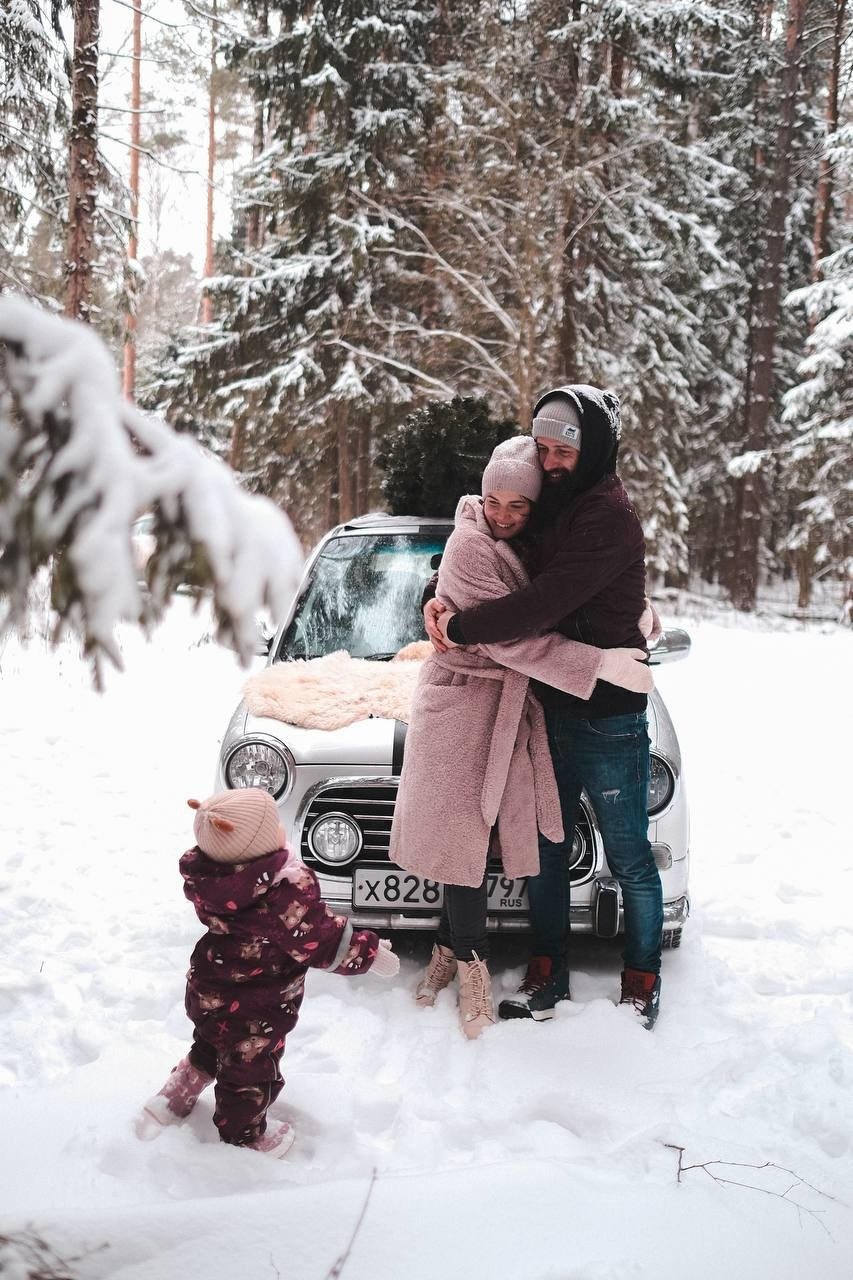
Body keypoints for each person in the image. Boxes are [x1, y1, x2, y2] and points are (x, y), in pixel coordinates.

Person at [390, 436, 652, 1039]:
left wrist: (635, 614)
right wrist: (599, 663)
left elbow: (566, 594)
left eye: (518, 504)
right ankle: (474, 968)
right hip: (463, 700)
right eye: (493, 500)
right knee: (460, 837)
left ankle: (445, 952)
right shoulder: (469, 545)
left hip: (518, 704)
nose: (502, 513)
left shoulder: (535, 543)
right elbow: (511, 638)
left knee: (484, 841)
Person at [138, 788, 399, 1156]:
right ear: (257, 845)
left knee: (213, 1040)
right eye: (273, 824)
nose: (280, 827)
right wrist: (370, 953)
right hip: (257, 1008)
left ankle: (181, 1089)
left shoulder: (216, 880)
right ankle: (244, 1135)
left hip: (210, 985)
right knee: (249, 1071)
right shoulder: (280, 896)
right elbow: (321, 941)